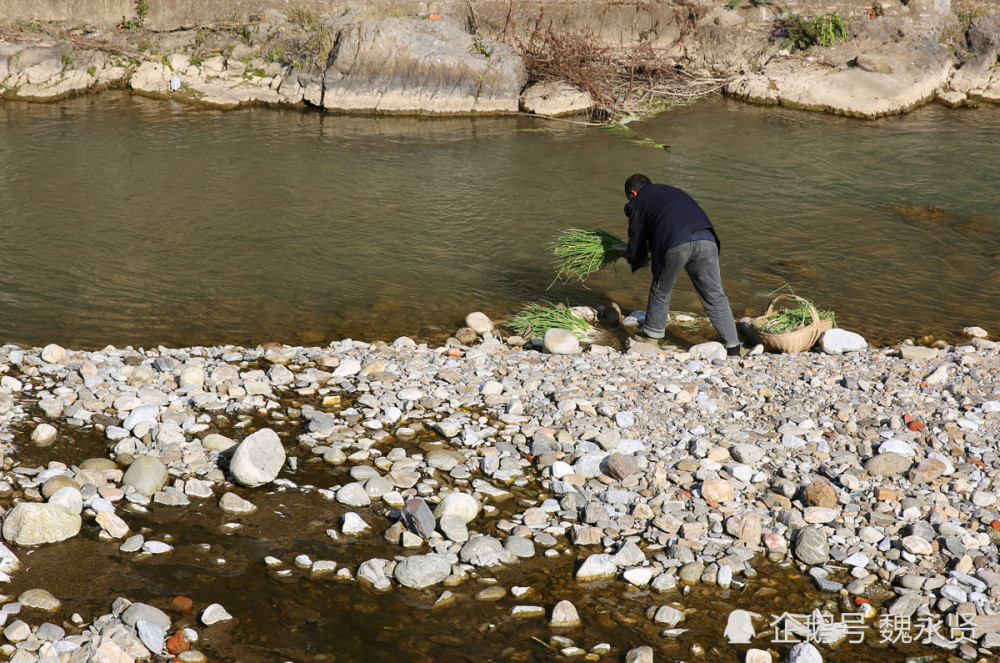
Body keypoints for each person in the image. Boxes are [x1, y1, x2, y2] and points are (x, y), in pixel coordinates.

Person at [623, 173, 741, 355]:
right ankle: (733, 346)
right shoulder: (671, 191)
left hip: (675, 242)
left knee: (660, 290)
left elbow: (637, 239)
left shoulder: (637, 203)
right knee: (714, 295)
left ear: (633, 193)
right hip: (707, 238)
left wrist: (633, 257)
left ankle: (651, 337)